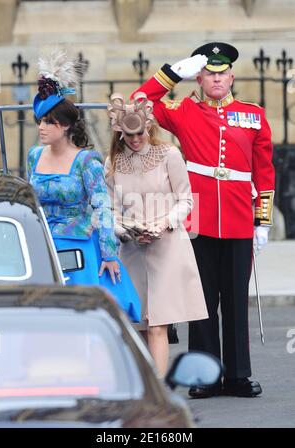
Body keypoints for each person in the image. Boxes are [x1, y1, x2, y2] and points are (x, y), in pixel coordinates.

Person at [132, 42, 275, 396]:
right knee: (201, 299)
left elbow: (264, 170)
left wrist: (264, 221)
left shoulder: (252, 114)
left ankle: (238, 375)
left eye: (221, 72)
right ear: (199, 76)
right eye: (209, 72)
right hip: (198, 218)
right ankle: (205, 375)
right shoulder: (184, 111)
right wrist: (170, 74)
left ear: (231, 76)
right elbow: (138, 103)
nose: (216, 78)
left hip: (241, 216)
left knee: (236, 300)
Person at [26, 50, 141, 323]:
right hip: (42, 245)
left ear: (64, 125)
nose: (41, 128)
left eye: (47, 122)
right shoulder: (34, 155)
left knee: (82, 316)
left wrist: (109, 254)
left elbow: (102, 206)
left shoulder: (86, 161)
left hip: (77, 246)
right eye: (39, 121)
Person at [104, 92, 208, 377]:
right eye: (129, 135)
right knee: (136, 322)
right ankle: (140, 387)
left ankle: (159, 393)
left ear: (148, 126)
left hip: (167, 245)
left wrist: (163, 224)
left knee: (158, 322)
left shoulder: (169, 154)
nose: (135, 140)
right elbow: (108, 211)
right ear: (120, 132)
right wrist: (124, 230)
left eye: (140, 133)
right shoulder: (111, 163)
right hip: (132, 249)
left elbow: (186, 201)